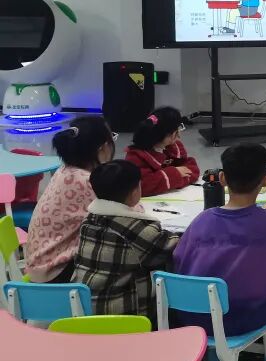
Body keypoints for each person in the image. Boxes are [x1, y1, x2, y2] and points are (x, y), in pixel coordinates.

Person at [172, 144, 266, 361]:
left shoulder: (201, 221)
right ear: (265, 181)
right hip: (244, 320)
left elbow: (179, 259)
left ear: (222, 178)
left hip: (194, 318)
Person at [71, 160, 178, 319]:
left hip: (82, 308)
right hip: (118, 314)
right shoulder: (137, 229)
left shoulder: (89, 219)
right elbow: (173, 247)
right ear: (135, 192)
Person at [24, 116, 116, 283]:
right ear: (102, 148)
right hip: (55, 272)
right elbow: (120, 215)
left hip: (38, 266)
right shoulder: (87, 181)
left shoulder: (65, 171)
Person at [125, 106, 200, 196]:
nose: (179, 134)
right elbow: (142, 186)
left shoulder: (172, 147)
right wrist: (175, 174)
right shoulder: (136, 156)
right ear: (171, 134)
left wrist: (172, 180)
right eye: (178, 128)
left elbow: (192, 169)